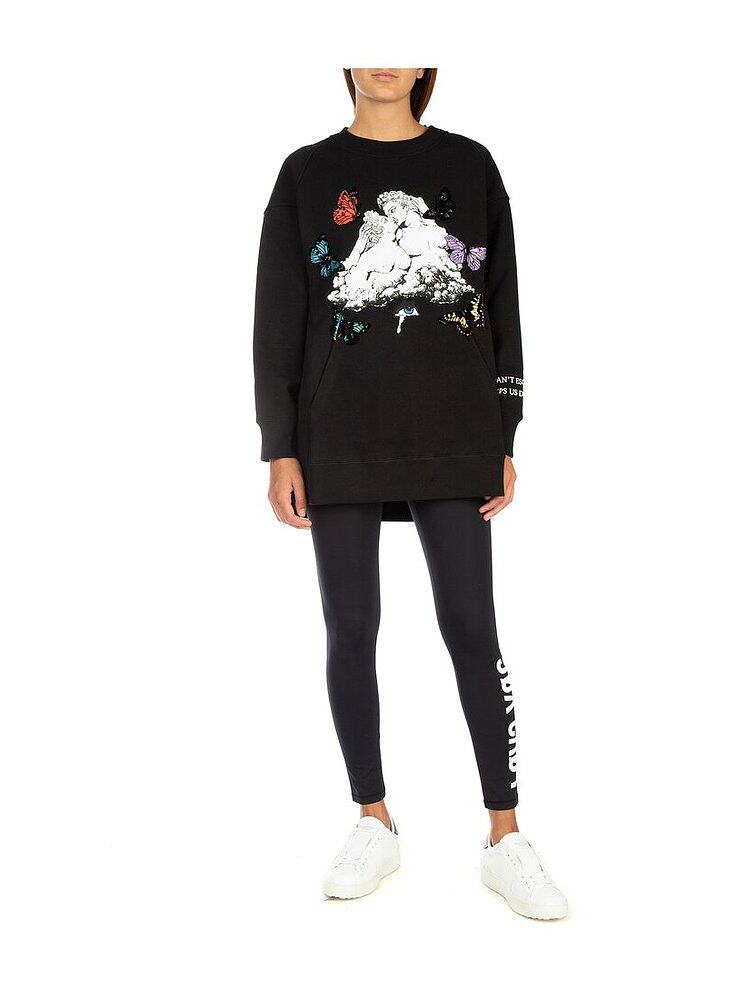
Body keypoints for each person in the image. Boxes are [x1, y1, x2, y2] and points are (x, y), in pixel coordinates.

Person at [252, 68, 567, 920]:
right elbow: (278, 315)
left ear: (429, 62)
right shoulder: (306, 174)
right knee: (351, 627)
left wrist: (504, 432)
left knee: (472, 626)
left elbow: (502, 301)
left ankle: (505, 835)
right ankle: (373, 819)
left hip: (456, 432)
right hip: (338, 436)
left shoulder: (470, 166)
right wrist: (280, 446)